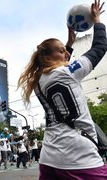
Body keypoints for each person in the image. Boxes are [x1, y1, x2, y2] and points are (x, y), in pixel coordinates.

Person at [17, 0, 107, 179]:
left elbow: (62, 67)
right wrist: (97, 21)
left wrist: (69, 43)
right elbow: (100, 47)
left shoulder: (37, 82)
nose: (66, 53)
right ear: (48, 57)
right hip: (78, 156)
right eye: (61, 51)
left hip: (49, 157)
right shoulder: (67, 73)